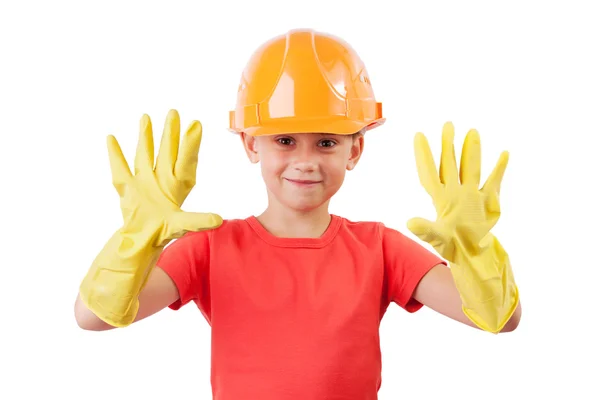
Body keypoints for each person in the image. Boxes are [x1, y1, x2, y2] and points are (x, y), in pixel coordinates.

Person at [74, 28, 522, 399]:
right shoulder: (210, 245)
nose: (305, 160)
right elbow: (92, 317)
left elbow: (500, 319)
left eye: (326, 141)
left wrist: (474, 250)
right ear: (251, 144)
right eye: (284, 140)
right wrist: (135, 239)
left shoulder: (379, 247)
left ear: (355, 148)